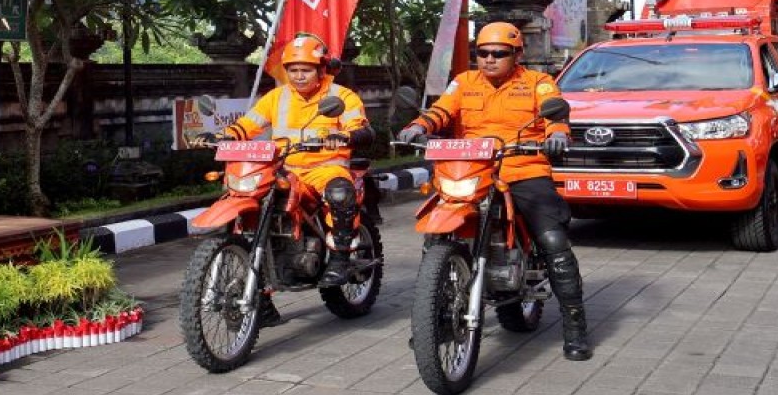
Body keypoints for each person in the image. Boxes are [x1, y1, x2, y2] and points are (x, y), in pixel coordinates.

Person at [396, 21, 592, 361]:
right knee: (436, 239)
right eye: (482, 53)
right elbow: (442, 110)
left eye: (499, 53)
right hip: (471, 169)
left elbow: (556, 114)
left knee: (553, 241)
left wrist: (558, 133)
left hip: (522, 168)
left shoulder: (537, 83)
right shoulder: (465, 82)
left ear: (517, 54)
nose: (489, 59)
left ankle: (575, 326)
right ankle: (433, 323)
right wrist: (418, 126)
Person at [195, 33, 375, 325]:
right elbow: (248, 125)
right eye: (293, 70)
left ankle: (341, 258)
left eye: (306, 70)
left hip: (325, 168)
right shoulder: (277, 97)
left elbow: (362, 129)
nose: (299, 76)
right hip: (284, 167)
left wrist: (343, 135)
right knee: (256, 204)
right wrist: (223, 136)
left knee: (340, 193)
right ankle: (262, 301)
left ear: (321, 69)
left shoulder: (341, 96)